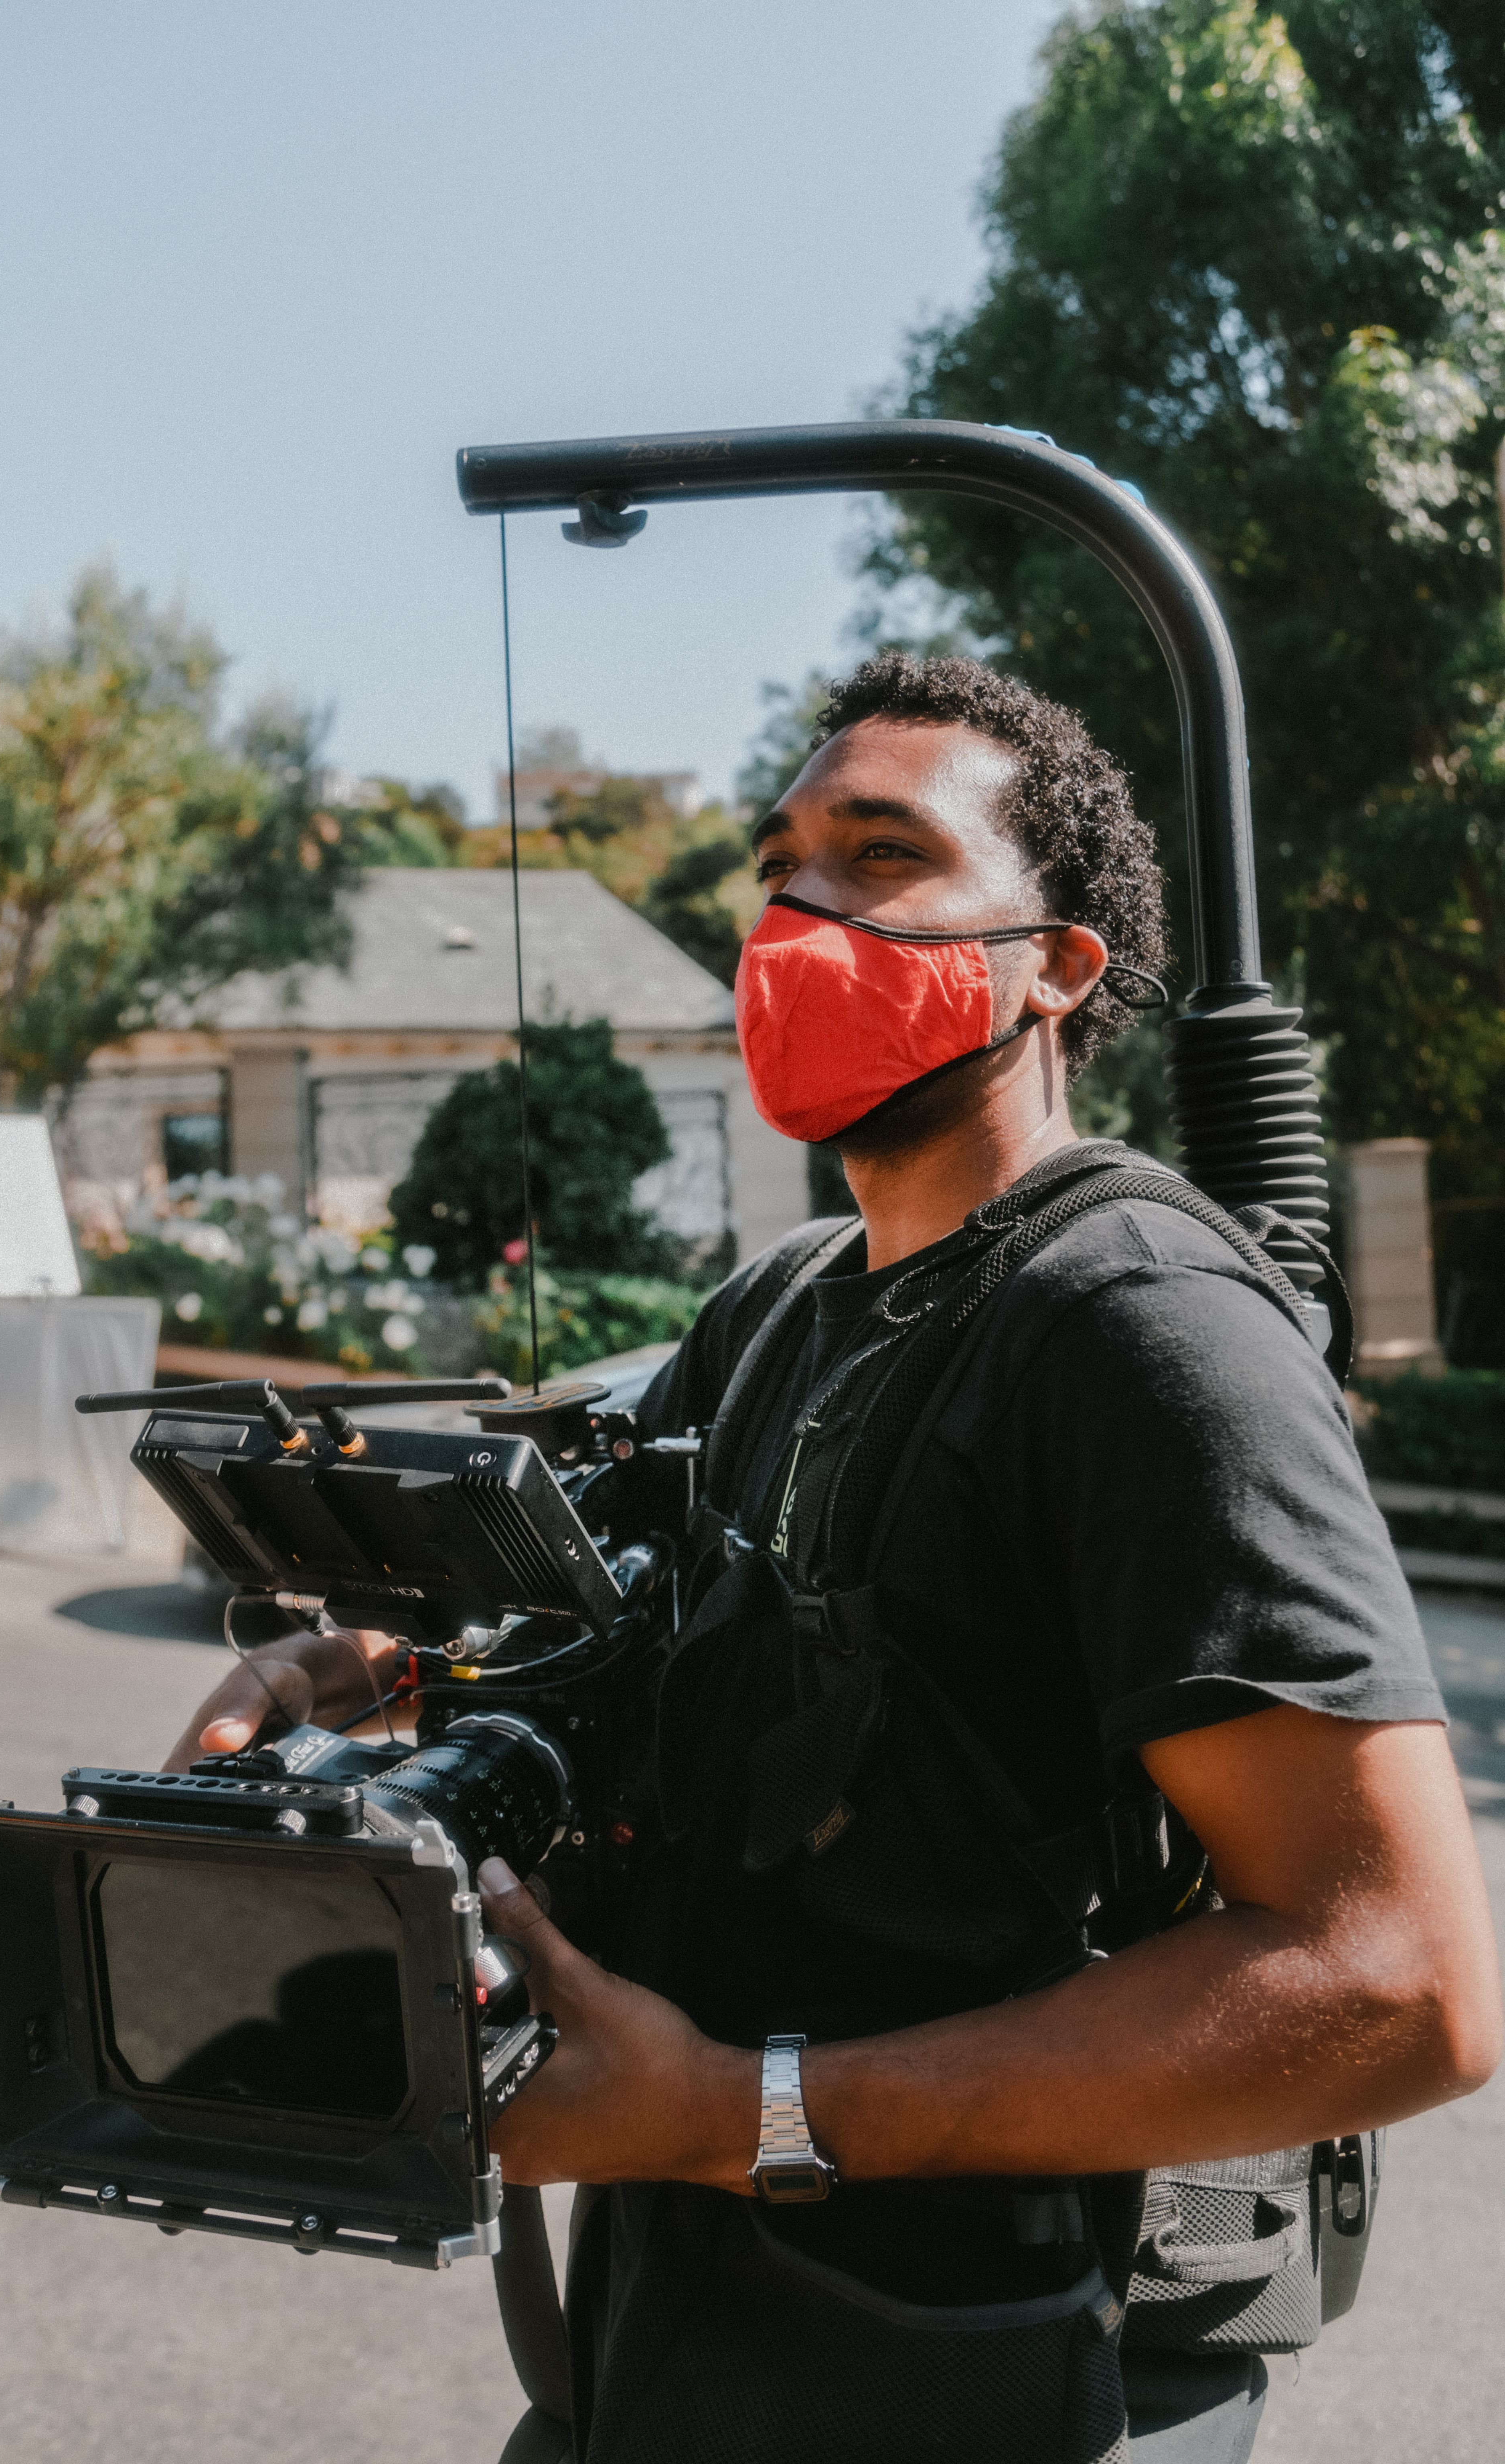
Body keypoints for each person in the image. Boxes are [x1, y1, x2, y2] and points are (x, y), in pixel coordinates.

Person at [166, 654, 1501, 2464]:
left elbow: (1397, 1983)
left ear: (1057, 965)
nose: (800, 914)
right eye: (778, 862)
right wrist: (380, 1671)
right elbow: (617, 1623)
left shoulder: (1141, 1325)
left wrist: (744, 2113)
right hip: (690, 2333)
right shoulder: (780, 1307)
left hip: (1005, 2361)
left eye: (882, 857)